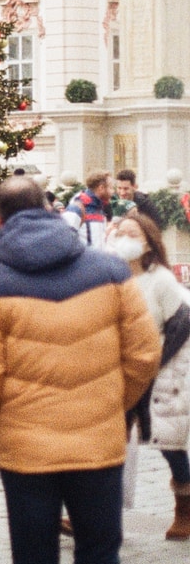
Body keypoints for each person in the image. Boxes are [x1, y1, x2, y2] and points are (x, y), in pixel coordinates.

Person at [0, 174, 161, 564]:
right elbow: (145, 353)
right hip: (98, 445)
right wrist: (114, 405)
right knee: (97, 560)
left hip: (25, 450)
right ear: (52, 210)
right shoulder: (110, 271)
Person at [107, 208, 190, 540]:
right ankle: (100, 515)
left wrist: (157, 360)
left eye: (133, 235)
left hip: (156, 374)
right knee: (111, 443)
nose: (124, 240)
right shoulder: (109, 275)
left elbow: (182, 322)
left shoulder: (160, 279)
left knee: (168, 444)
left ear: (148, 244)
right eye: (120, 233)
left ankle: (185, 509)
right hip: (120, 371)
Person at [65, 172, 111, 247]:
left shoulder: (100, 208)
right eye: (111, 188)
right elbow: (65, 238)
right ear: (101, 188)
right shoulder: (76, 208)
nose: (113, 192)